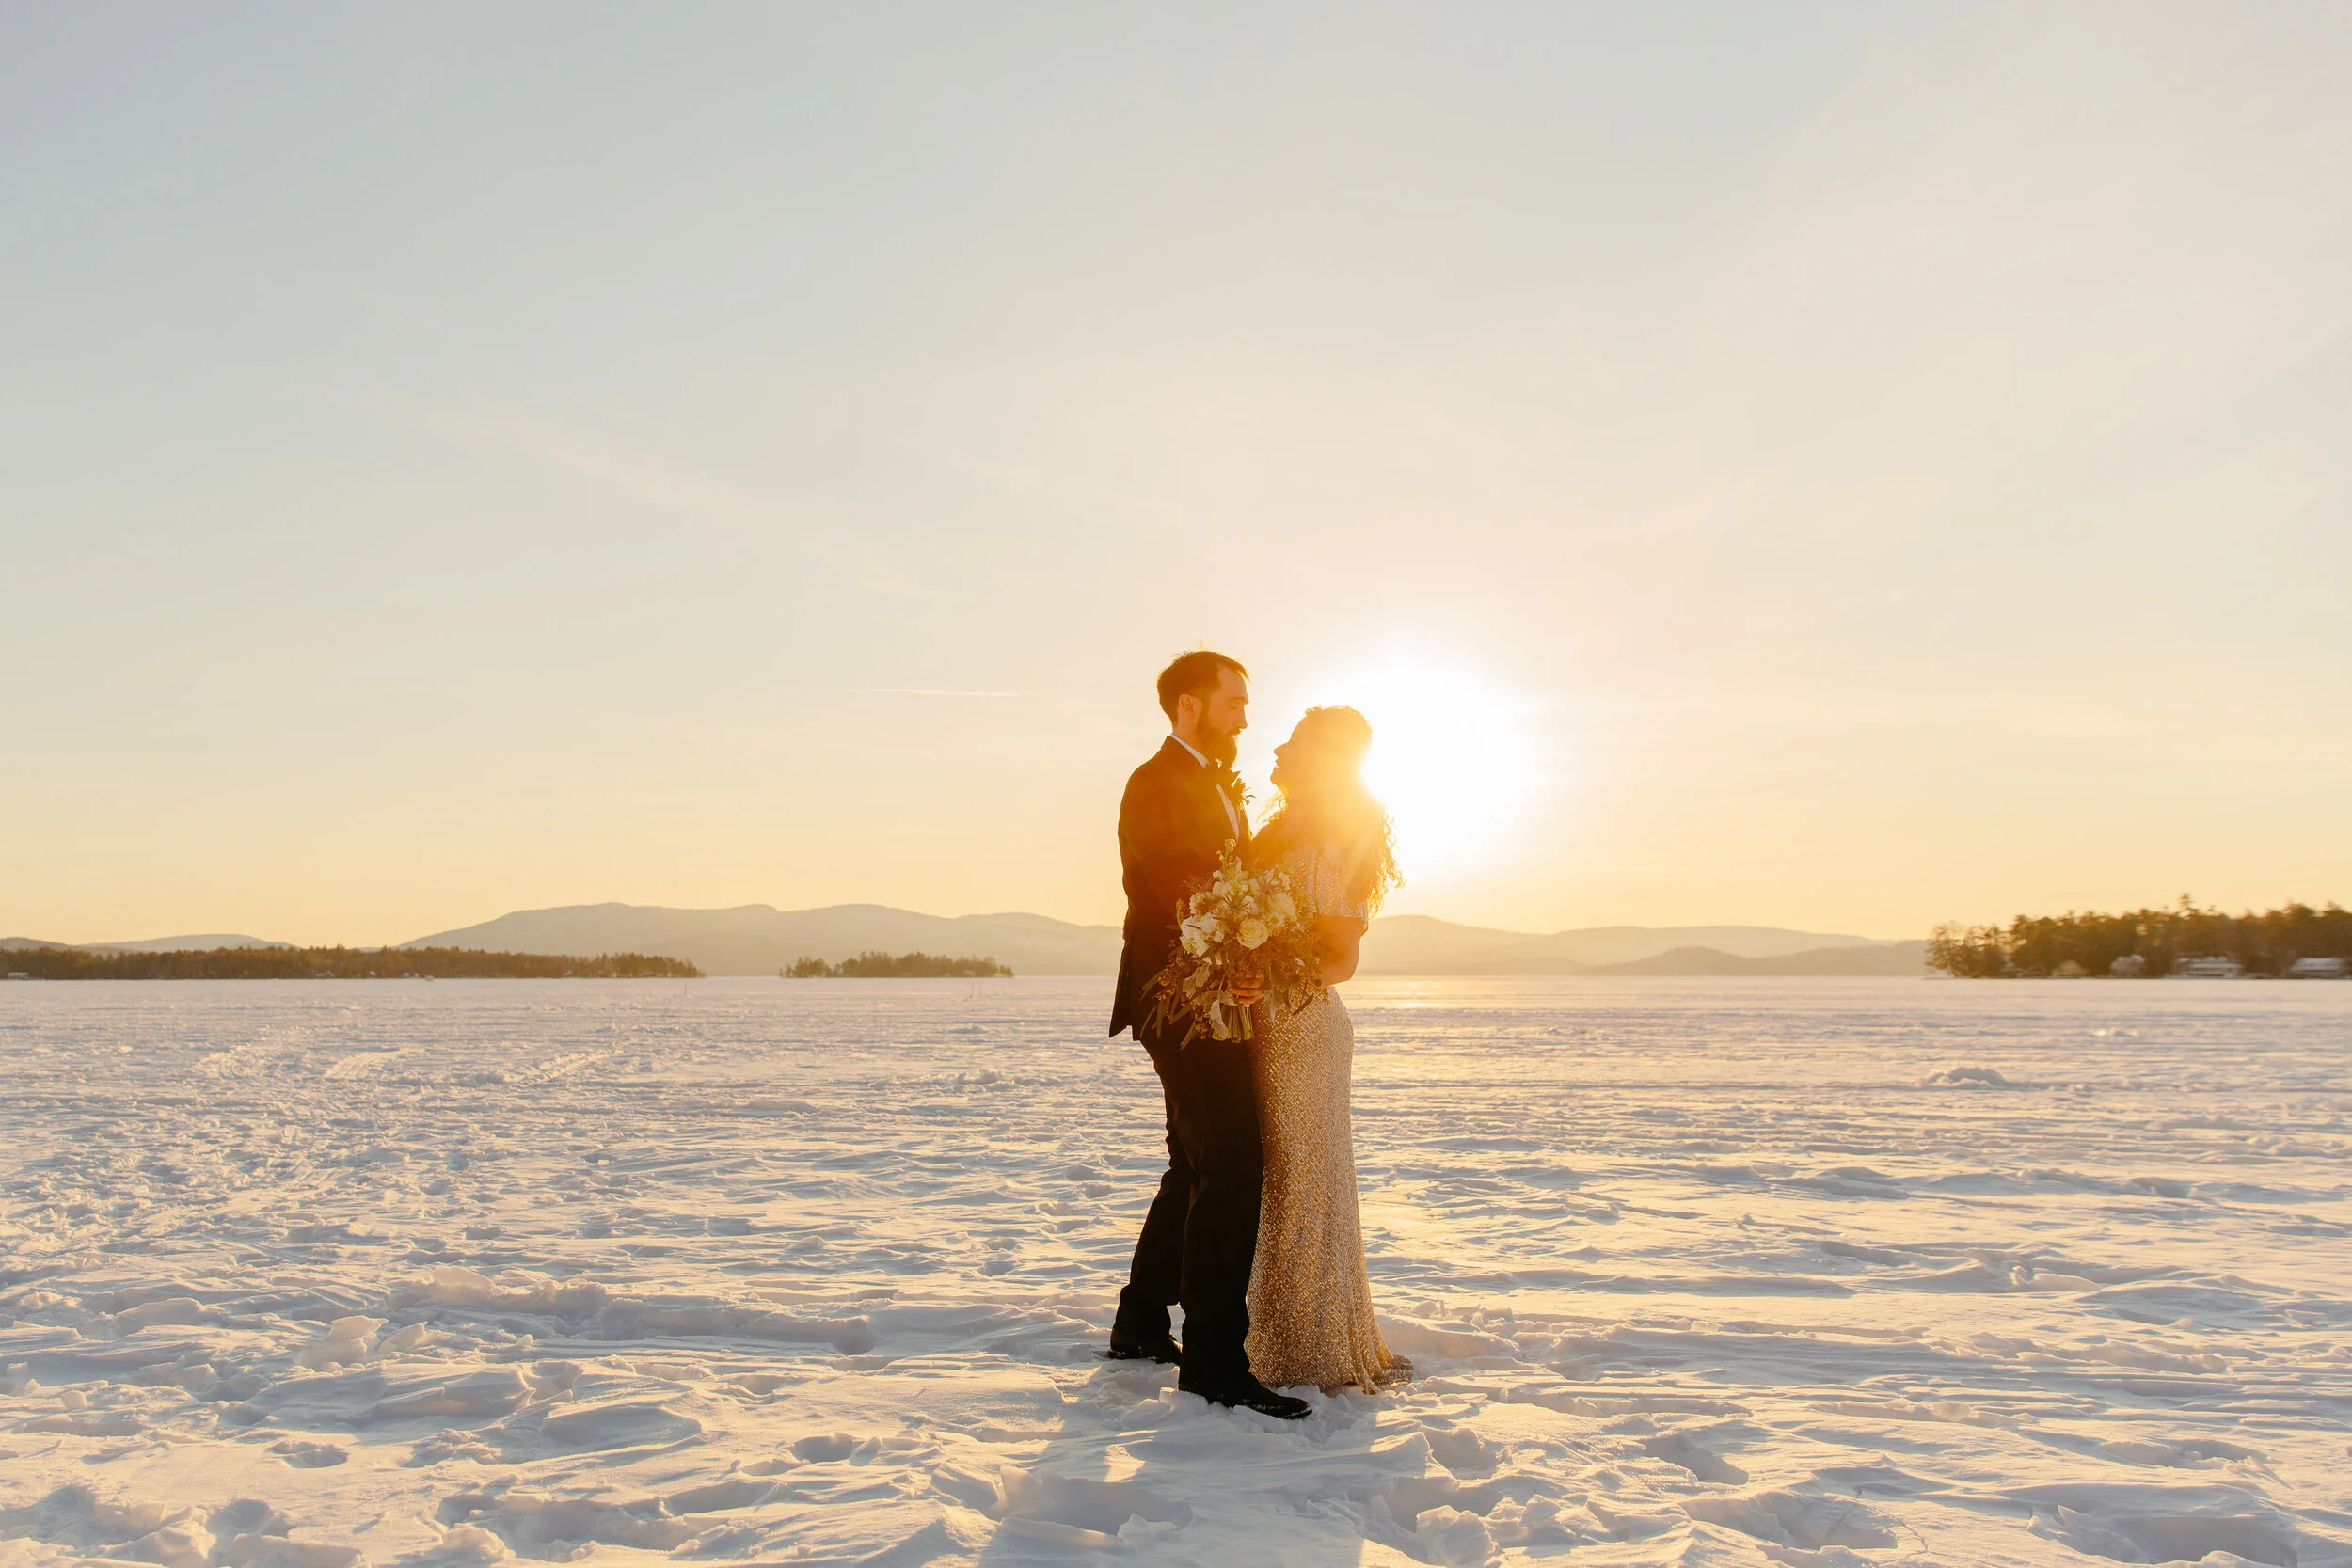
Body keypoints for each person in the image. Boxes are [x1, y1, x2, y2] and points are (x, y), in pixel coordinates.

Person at [1106, 651, 1311, 1420]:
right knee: (1232, 1164)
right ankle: (1215, 1362)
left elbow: (1225, 885)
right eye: (1234, 703)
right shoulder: (1155, 782)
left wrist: (1247, 956)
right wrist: (1227, 963)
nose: (1244, 718)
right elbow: (1171, 892)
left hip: (1209, 994)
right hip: (1180, 999)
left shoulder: (1217, 782)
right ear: (1189, 705)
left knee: (1195, 1162)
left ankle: (1140, 1321)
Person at [1242, 705, 1411, 1393]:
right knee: (1276, 1183)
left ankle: (1313, 1349)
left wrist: (1266, 971)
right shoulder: (1279, 832)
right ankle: (1273, 1338)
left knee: (1306, 1185)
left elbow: (1341, 957)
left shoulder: (1338, 840)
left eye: (1294, 741)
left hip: (1304, 1032)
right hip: (1262, 1027)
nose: (1278, 749)